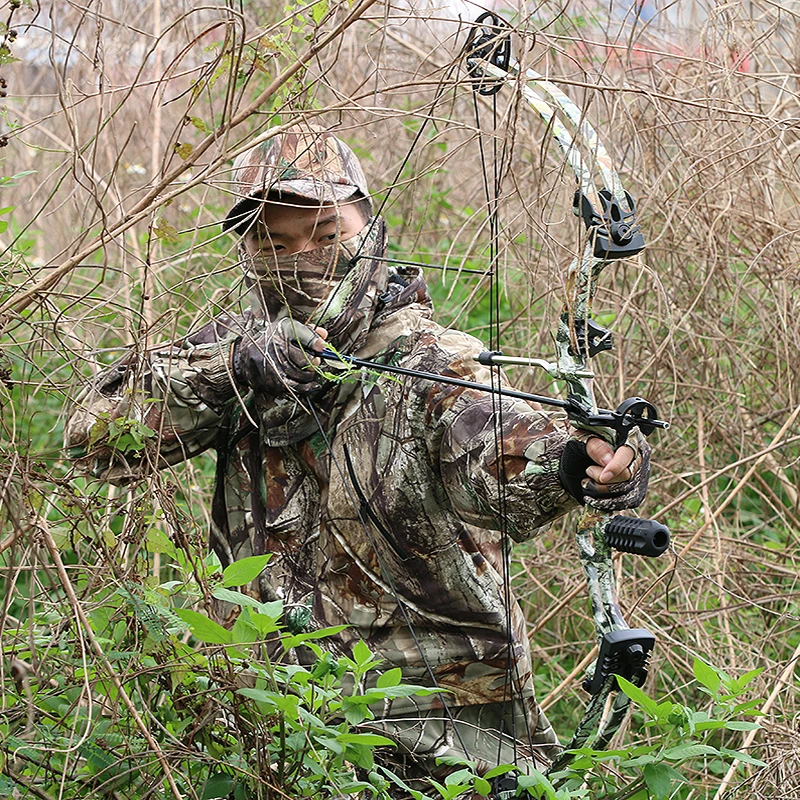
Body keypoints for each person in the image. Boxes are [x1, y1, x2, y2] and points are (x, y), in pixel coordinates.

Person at [65, 124, 651, 794]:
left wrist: (581, 464)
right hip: (275, 721)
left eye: (323, 232)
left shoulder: (433, 362)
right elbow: (95, 439)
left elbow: (498, 454)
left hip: (435, 730)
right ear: (248, 255)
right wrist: (235, 367)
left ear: (369, 232)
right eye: (273, 243)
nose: (303, 258)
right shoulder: (239, 353)